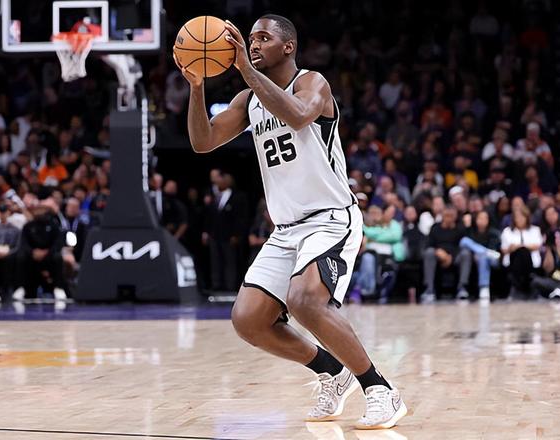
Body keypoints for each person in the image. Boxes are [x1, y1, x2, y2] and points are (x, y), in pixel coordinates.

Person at [173, 14, 406, 429]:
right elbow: (203, 141)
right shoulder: (248, 100)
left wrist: (244, 69)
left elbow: (299, 115)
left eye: (263, 38)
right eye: (250, 39)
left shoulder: (312, 82)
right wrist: (196, 87)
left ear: (288, 46)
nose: (253, 45)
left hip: (330, 218)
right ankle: (331, 370)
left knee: (305, 300)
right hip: (287, 230)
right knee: (248, 320)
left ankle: (380, 390)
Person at [422, 206, 472, 302]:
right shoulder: (435, 227)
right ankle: (429, 290)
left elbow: (464, 245)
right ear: (442, 216)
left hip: (455, 256)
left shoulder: (460, 228)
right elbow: (428, 245)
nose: (449, 218)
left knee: (466, 253)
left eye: (451, 216)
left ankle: (462, 288)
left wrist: (450, 257)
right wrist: (438, 252)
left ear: (455, 216)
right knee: (429, 253)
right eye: (446, 215)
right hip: (438, 256)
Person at [500, 206, 543, 296]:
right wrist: (511, 249)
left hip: (531, 261)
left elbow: (537, 246)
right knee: (520, 252)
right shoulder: (507, 231)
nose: (519, 219)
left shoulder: (535, 230)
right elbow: (504, 249)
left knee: (523, 251)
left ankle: (523, 284)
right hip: (512, 261)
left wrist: (520, 246)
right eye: (517, 217)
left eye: (522, 217)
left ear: (527, 218)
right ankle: (519, 286)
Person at [460, 210, 501, 300]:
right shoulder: (471, 231)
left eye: (485, 218)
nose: (482, 221)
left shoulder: (493, 233)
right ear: (475, 219)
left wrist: (480, 254)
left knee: (483, 257)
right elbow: (462, 242)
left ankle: (484, 287)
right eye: (480, 218)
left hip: (492, 259)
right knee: (464, 241)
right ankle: (484, 251)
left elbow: (495, 250)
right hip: (478, 256)